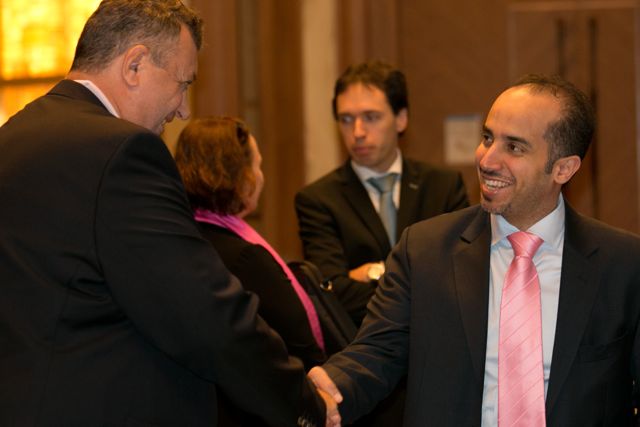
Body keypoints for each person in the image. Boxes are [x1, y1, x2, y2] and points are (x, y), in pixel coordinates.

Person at [0, 1, 338, 426]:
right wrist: (304, 403)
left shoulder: (13, 136)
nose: (183, 110)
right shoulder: (123, 152)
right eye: (183, 83)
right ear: (135, 65)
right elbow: (205, 315)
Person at [309, 74, 640, 426]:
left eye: (514, 147)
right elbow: (377, 351)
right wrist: (332, 388)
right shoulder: (424, 252)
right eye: (487, 138)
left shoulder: (623, 264)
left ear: (563, 168)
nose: (486, 160)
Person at [174, 116, 328, 424]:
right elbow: (299, 343)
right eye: (257, 165)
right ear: (238, 175)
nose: (261, 177)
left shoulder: (181, 239)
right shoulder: (245, 257)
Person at [295, 60, 469, 328]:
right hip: (362, 342)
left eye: (371, 117)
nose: (357, 132)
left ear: (401, 119)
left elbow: (462, 276)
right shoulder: (317, 200)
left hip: (439, 338)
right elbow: (333, 294)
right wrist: (420, 288)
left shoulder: (443, 186)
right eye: (346, 119)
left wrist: (373, 272)